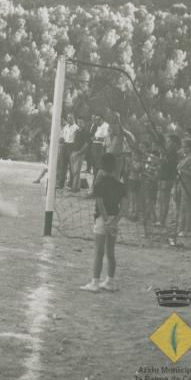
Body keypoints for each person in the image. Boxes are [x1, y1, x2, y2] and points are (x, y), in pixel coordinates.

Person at [80, 153, 126, 293]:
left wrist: (105, 220)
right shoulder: (121, 185)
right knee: (111, 252)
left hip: (102, 219)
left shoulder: (99, 184)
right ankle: (109, 282)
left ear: (101, 167)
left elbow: (100, 204)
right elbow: (124, 207)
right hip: (114, 220)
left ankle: (95, 282)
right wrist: (114, 221)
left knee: (99, 253)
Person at [176, 139, 191, 237]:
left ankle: (187, 230)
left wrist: (182, 170)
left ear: (189, 148)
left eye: (184, 147)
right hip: (183, 184)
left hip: (188, 185)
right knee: (183, 207)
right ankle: (182, 228)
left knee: (187, 207)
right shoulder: (186, 158)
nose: (182, 148)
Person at [156, 134, 180, 227]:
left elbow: (169, 164)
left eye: (169, 141)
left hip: (167, 177)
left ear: (173, 142)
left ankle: (162, 220)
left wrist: (158, 160)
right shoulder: (168, 151)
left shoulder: (172, 152)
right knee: (161, 199)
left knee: (165, 199)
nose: (167, 143)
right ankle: (161, 219)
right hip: (163, 176)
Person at [69, 116, 91, 192]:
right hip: (73, 151)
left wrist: (80, 152)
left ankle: (75, 188)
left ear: (84, 123)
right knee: (72, 171)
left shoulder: (86, 132)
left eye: (81, 122)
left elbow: (86, 144)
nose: (79, 123)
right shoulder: (77, 131)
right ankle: (75, 186)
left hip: (79, 153)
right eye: (78, 122)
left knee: (76, 171)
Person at [58, 113, 79, 188]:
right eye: (68, 118)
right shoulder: (66, 126)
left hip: (71, 146)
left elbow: (76, 139)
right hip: (65, 145)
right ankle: (61, 184)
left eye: (71, 118)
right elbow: (63, 136)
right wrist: (61, 139)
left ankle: (71, 184)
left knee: (71, 166)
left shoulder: (76, 127)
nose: (69, 119)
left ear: (74, 118)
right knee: (63, 165)